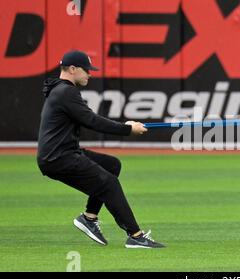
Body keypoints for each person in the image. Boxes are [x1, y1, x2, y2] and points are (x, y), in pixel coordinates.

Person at [37, 50, 165, 249]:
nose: (90, 74)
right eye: (86, 70)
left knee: (111, 165)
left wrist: (127, 126)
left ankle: (89, 217)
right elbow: (92, 121)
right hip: (59, 158)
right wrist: (127, 129)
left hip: (63, 153)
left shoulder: (61, 90)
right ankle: (136, 236)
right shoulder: (66, 92)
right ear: (72, 69)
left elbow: (90, 119)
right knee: (109, 184)